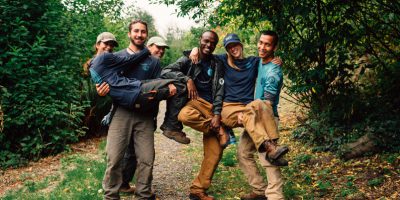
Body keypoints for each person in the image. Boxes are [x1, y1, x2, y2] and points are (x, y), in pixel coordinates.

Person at [99, 20, 186, 200]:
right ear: (129, 34)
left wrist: (164, 92)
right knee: (114, 158)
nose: (139, 35)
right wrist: (101, 91)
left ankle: (143, 194)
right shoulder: (117, 57)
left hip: (145, 115)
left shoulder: (153, 62)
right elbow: (106, 82)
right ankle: (111, 195)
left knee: (146, 158)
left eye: (143, 32)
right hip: (121, 112)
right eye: (136, 31)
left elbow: (156, 87)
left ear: (146, 35)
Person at [160, 30, 228, 200]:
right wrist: (186, 79)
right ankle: (217, 129)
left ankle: (198, 190)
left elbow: (220, 90)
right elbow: (165, 71)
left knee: (215, 152)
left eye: (212, 43)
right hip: (195, 103)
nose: (209, 45)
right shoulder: (188, 59)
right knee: (184, 115)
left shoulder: (217, 63)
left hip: (212, 108)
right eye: (206, 41)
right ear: (200, 40)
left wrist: (217, 114)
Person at [237, 31, 285, 200]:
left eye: (267, 44)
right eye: (261, 42)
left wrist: (245, 112)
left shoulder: (273, 72)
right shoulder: (259, 62)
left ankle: (275, 196)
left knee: (268, 159)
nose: (262, 47)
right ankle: (259, 191)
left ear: (274, 47)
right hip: (253, 118)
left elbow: (267, 104)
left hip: (266, 118)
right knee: (243, 152)